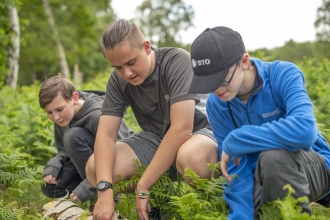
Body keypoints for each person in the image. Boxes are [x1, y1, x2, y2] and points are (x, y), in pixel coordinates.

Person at [188, 26, 330, 219]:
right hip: (263, 180)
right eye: (208, 84)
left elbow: (305, 131)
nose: (216, 90)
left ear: (244, 62)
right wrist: (240, 215)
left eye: (221, 80)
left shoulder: (282, 74)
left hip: (313, 167)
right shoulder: (218, 103)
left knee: (273, 158)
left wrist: (239, 138)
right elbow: (235, 169)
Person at [85, 19, 218, 220]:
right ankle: (160, 203)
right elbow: (105, 135)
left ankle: (218, 206)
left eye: (131, 62)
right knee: (96, 168)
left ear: (146, 47)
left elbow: (182, 129)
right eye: (118, 67)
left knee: (192, 158)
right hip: (156, 139)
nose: (127, 73)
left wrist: (143, 184)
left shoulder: (176, 60)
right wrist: (104, 191)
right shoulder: (118, 80)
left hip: (197, 133)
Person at [39, 75, 132, 204]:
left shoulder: (98, 116)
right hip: (85, 162)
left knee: (72, 135)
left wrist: (87, 187)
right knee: (50, 188)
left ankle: (105, 196)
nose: (55, 117)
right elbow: (63, 150)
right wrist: (53, 167)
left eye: (59, 109)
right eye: (49, 112)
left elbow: (124, 155)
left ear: (75, 98)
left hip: (114, 163)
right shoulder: (63, 117)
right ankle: (84, 197)